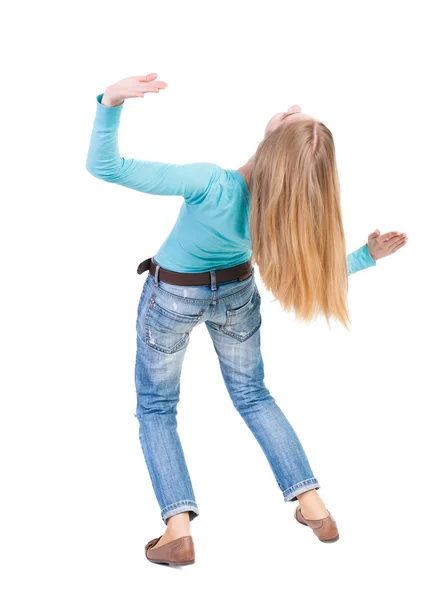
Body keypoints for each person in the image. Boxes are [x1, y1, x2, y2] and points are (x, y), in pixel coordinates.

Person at [86, 73, 408, 567]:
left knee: (156, 407)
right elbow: (316, 270)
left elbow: (105, 166)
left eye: (290, 116)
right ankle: (314, 507)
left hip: (171, 297)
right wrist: (366, 255)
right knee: (254, 396)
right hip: (236, 295)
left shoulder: (208, 182)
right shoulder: (284, 212)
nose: (291, 104)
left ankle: (178, 531)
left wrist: (109, 102)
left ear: (273, 142)